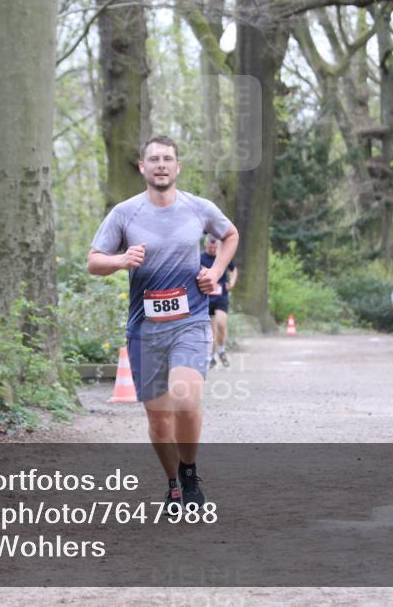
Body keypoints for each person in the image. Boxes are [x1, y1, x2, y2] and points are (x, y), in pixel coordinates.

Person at [87, 135, 239, 509]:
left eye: (167, 159)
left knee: (186, 399)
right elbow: (93, 262)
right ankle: (172, 481)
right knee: (158, 421)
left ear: (177, 167)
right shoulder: (125, 213)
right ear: (142, 167)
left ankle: (189, 473)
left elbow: (230, 234)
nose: (160, 165)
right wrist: (121, 260)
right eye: (153, 159)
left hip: (189, 320)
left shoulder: (198, 208)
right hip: (144, 328)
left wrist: (216, 271)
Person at [201, 236, 237, 368]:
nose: (212, 249)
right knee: (211, 330)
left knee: (221, 324)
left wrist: (232, 283)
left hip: (221, 296)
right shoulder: (200, 258)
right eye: (210, 247)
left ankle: (221, 350)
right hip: (206, 298)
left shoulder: (222, 256)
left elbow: (234, 269)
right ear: (206, 245)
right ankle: (211, 357)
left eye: (215, 246)